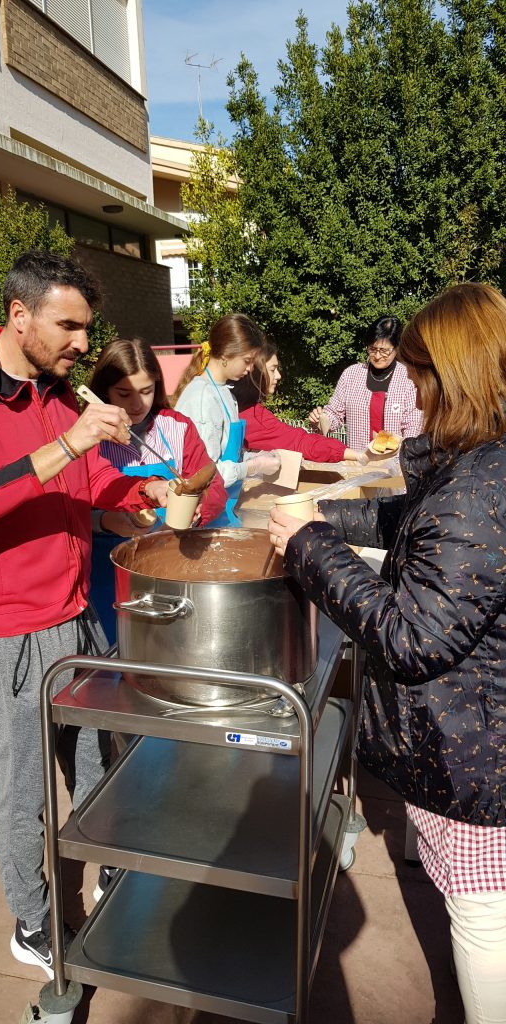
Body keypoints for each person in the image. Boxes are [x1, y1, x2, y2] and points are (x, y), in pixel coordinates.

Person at [268, 282, 506, 1024]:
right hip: (476, 734)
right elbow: (409, 517)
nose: (412, 389)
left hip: (478, 749)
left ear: (452, 377)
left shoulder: (480, 488)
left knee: (482, 916)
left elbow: (413, 637)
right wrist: (322, 515)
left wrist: (310, 548)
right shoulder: (474, 462)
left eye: (419, 373)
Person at [0, 250, 167, 979]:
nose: (82, 343)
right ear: (19, 315)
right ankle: (31, 920)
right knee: (23, 789)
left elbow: (90, 480)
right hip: (8, 630)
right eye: (68, 327)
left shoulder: (56, 390)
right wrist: (65, 445)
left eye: (86, 327)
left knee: (97, 759)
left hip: (75, 615)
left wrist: (137, 496)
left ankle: (106, 866)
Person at [87, 337, 228, 643]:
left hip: (171, 563)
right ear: (104, 391)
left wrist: (197, 511)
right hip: (107, 573)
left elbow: (213, 485)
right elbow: (75, 505)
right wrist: (105, 521)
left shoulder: (177, 427)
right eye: (124, 394)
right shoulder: (87, 438)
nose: (138, 404)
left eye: (147, 391)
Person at [173, 313, 281, 525]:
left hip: (225, 506)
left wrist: (254, 457)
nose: (250, 369)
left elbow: (227, 454)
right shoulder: (203, 399)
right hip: (204, 513)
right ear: (225, 355)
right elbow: (206, 472)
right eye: (247, 361)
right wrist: (255, 466)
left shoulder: (225, 393)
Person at [231, 340, 369, 464]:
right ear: (254, 371)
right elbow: (300, 443)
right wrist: (356, 454)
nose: (278, 376)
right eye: (273, 369)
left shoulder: (231, 402)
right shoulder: (255, 416)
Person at [309, 315, 423, 450]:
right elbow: (334, 413)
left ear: (397, 348)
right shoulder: (351, 375)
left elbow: (413, 427)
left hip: (394, 461)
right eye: (373, 349)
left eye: (384, 351)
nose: (377, 356)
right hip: (357, 460)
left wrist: (404, 457)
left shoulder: (408, 378)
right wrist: (320, 419)